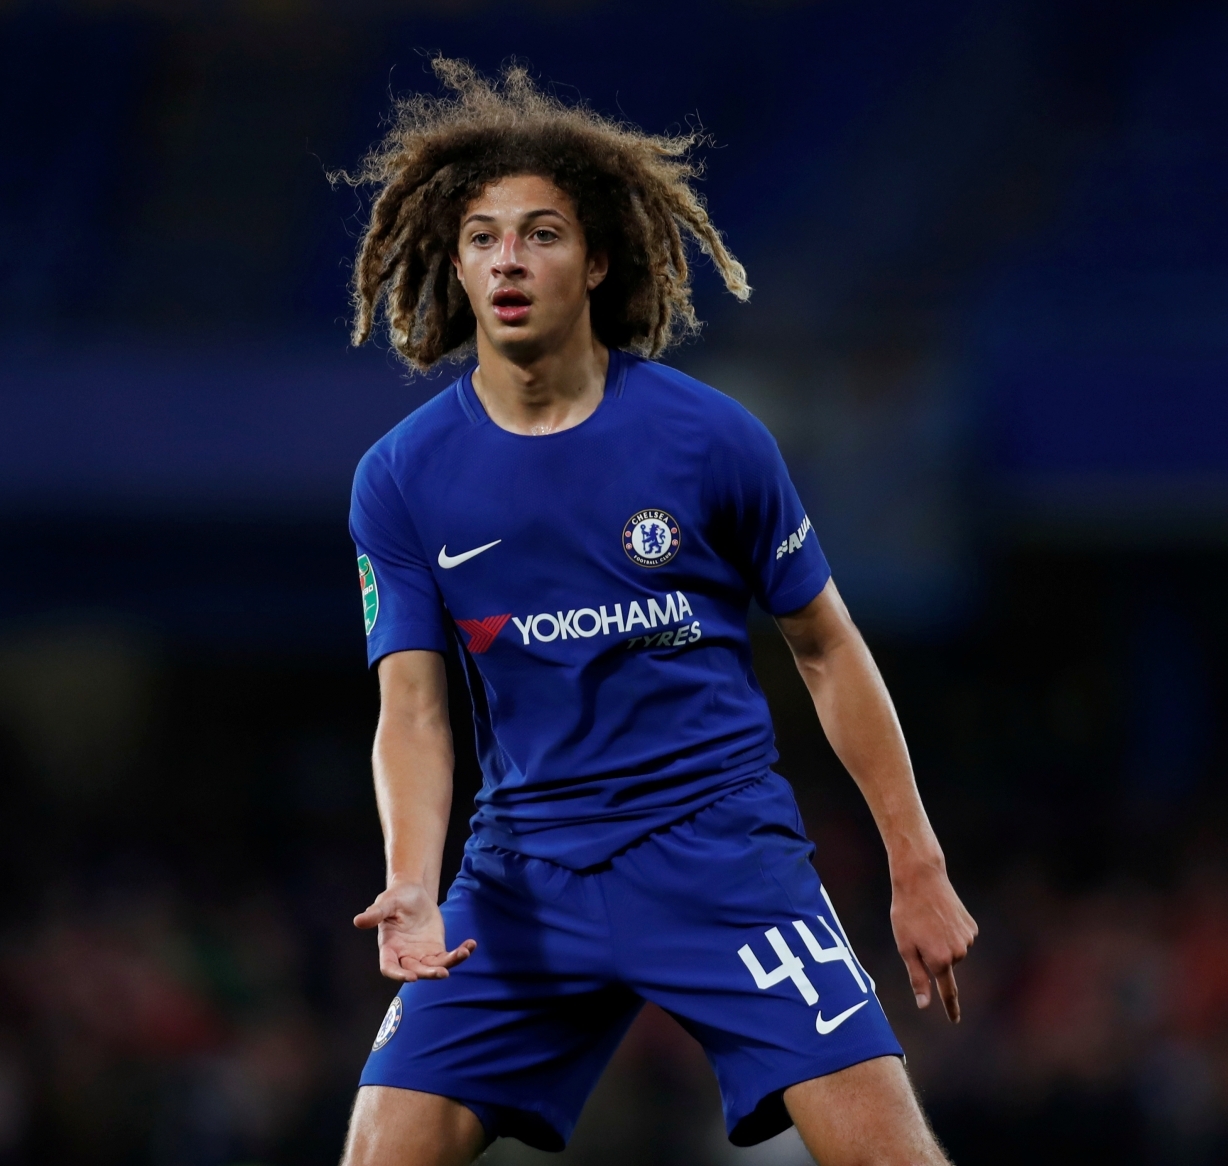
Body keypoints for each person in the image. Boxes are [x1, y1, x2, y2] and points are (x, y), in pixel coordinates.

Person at [337, 59, 977, 1166]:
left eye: (541, 234)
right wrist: (409, 878)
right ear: (455, 260)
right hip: (523, 874)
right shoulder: (401, 477)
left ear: (595, 260)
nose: (508, 259)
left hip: (720, 853)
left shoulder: (711, 439)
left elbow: (826, 649)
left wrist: (914, 863)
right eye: (483, 237)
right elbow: (415, 712)